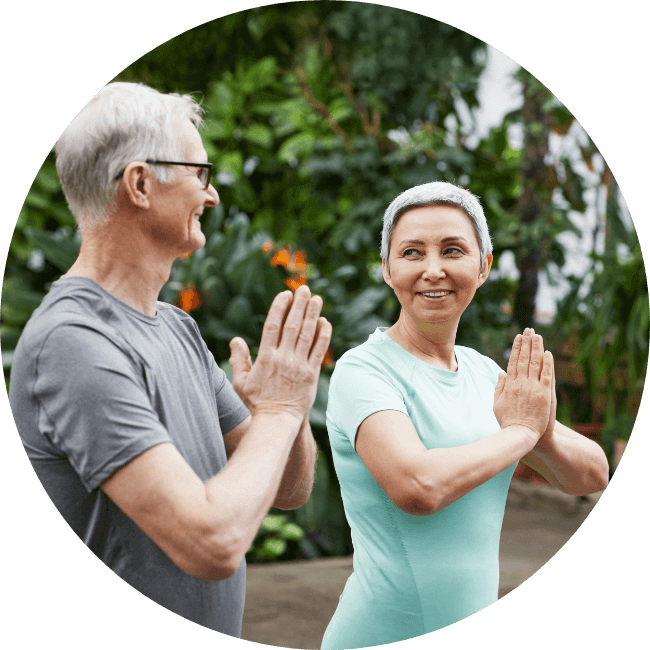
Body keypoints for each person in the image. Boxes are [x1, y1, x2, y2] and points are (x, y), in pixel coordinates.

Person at [9, 82, 331, 636]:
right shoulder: (72, 343)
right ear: (140, 183)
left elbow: (289, 489)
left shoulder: (176, 327)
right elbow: (212, 543)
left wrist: (291, 407)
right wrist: (277, 411)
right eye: (199, 174)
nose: (212, 196)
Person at [321, 181, 609, 648]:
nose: (433, 270)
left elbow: (592, 474)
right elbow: (417, 487)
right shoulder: (363, 370)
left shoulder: (481, 372)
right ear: (387, 269)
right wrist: (520, 431)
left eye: (453, 250)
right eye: (412, 252)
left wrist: (542, 430)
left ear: (483, 266)